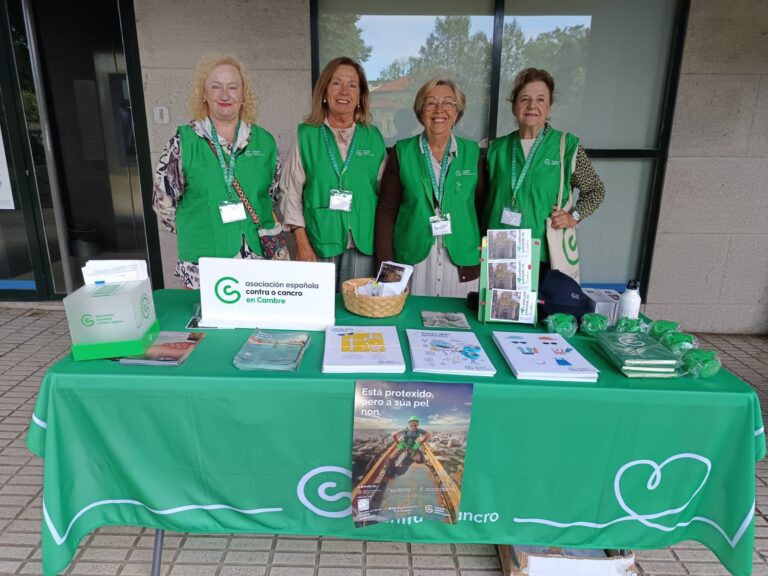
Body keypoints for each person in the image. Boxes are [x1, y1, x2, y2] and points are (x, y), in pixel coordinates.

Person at [152, 55, 282, 289]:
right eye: (216, 87)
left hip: (257, 258)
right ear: (204, 93)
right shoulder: (183, 142)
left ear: (243, 94)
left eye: (233, 87)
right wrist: (196, 227)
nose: (225, 95)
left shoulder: (265, 142)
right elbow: (163, 202)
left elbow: (272, 195)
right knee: (204, 315)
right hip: (204, 261)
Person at [484, 68, 605, 273]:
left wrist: (573, 216)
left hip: (547, 254)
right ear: (514, 106)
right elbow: (485, 201)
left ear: (549, 108)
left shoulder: (566, 146)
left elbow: (596, 191)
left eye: (540, 99)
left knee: (553, 296)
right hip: (502, 252)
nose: (532, 106)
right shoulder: (496, 149)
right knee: (503, 295)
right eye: (525, 99)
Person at [375, 77, 486, 298]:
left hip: (461, 264)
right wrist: (388, 272)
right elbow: (387, 211)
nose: (439, 109)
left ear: (457, 112)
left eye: (448, 103)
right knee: (411, 318)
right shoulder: (402, 152)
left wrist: (487, 249)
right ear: (420, 111)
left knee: (459, 319)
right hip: (413, 265)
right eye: (431, 102)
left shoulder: (473, 153)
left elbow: (483, 207)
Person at [281, 56, 386, 288]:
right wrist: (302, 243)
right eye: (336, 83)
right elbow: (290, 192)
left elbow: (385, 197)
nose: (344, 91)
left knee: (356, 305)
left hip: (363, 243)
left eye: (352, 85)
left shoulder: (373, 137)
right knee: (317, 305)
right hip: (318, 241)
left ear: (360, 95)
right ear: (325, 90)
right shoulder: (306, 135)